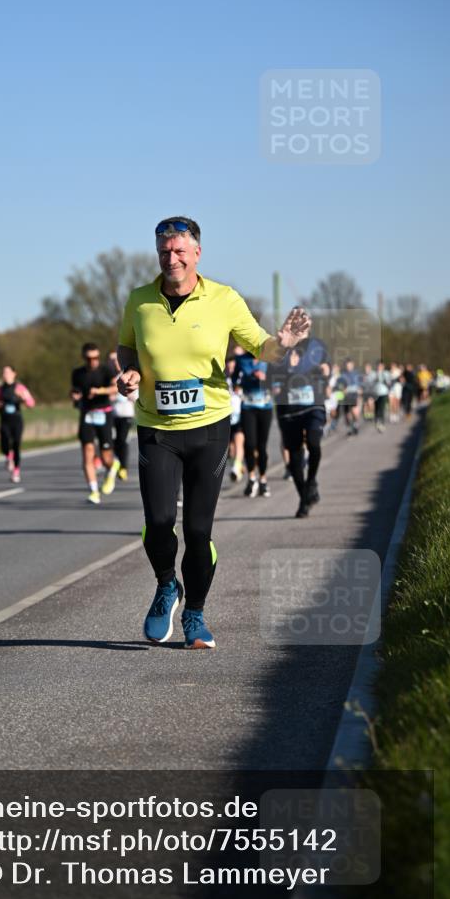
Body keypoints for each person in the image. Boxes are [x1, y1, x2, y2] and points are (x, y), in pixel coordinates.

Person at [117, 215, 311, 649]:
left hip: (209, 429)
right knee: (160, 521)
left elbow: (262, 347)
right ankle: (167, 585)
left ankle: (196, 615)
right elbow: (127, 345)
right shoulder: (139, 300)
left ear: (197, 253)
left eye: (180, 250)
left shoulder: (223, 299)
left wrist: (285, 343)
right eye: (165, 251)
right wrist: (127, 372)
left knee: (198, 531)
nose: (172, 258)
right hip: (156, 427)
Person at [269, 331, 330, 518]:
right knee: (295, 458)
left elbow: (327, 371)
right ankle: (304, 498)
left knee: (313, 442)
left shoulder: (316, 350)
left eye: (303, 329)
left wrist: (323, 371)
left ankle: (311, 482)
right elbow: (271, 380)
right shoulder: (279, 353)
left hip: (313, 406)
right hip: (288, 411)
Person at [70, 343, 118, 504]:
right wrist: (75, 396)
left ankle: (113, 466)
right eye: (89, 358)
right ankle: (93, 490)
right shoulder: (77, 373)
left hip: (104, 413)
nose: (93, 361)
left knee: (106, 457)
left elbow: (115, 388)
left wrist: (99, 391)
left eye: (96, 357)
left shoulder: (106, 370)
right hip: (87, 414)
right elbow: (75, 390)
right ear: (84, 357)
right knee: (88, 451)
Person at [233, 351, 273, 498]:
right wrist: (239, 384)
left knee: (262, 447)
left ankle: (263, 479)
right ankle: (251, 478)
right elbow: (235, 378)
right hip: (248, 407)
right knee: (249, 444)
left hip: (265, 407)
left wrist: (265, 379)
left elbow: (277, 380)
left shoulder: (268, 359)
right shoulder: (241, 359)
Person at [0, 365, 35, 483]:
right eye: (4, 373)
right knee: (4, 443)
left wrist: (22, 397)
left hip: (17, 420)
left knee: (16, 444)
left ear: (14, 374)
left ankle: (16, 471)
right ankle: (8, 457)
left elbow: (31, 403)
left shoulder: (20, 387)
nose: (6, 375)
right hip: (4, 420)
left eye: (8, 372)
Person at [108, 349, 135, 482]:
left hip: (125, 414)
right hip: (112, 415)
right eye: (111, 361)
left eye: (116, 360)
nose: (114, 363)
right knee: (113, 441)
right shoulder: (108, 377)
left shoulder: (129, 374)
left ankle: (123, 468)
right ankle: (116, 463)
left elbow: (134, 396)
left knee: (122, 441)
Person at [225, 353, 245, 483]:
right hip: (227, 416)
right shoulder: (223, 379)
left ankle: (236, 469)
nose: (231, 369)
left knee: (239, 441)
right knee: (230, 451)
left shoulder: (242, 378)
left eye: (233, 367)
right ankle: (239, 465)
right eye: (229, 367)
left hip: (240, 415)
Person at [336, 358, 362, 435]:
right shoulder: (343, 375)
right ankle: (350, 427)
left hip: (354, 395)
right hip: (345, 396)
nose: (349, 367)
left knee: (355, 412)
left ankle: (355, 424)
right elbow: (339, 385)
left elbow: (361, 383)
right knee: (347, 414)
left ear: (353, 365)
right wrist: (342, 389)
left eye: (350, 365)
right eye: (347, 366)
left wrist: (360, 388)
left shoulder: (357, 374)